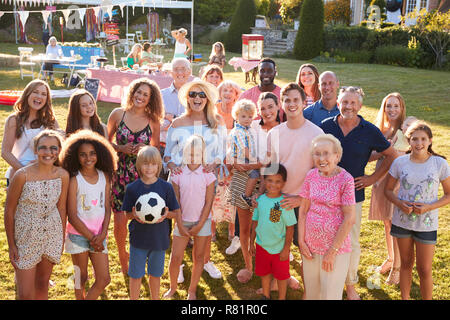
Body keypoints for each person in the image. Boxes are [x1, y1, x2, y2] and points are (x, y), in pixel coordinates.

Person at [320, 86, 398, 300]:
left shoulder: (369, 129)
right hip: (326, 192)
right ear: (338, 104)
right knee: (327, 237)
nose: (349, 106)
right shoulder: (326, 126)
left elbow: (391, 155)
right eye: (345, 102)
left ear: (360, 106)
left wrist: (372, 178)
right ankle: (327, 278)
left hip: (353, 194)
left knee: (351, 242)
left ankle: (350, 285)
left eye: (353, 103)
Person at [265, 82, 324, 296]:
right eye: (287, 100)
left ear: (304, 102)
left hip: (304, 202)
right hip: (278, 200)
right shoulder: (275, 133)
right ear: (282, 103)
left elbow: (321, 174)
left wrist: (302, 199)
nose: (291, 104)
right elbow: (271, 168)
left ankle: (311, 289)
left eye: (295, 100)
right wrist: (268, 197)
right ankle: (281, 277)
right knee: (276, 243)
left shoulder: (316, 133)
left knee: (305, 247)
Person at [164, 79, 227, 280]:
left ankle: (205, 260)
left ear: (207, 98)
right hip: (180, 181)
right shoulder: (178, 122)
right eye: (193, 94)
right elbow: (167, 153)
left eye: (201, 95)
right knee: (180, 221)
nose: (197, 98)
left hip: (206, 180)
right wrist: (171, 165)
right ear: (187, 98)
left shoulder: (216, 121)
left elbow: (223, 150)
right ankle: (179, 263)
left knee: (205, 220)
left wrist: (216, 162)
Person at [384, 121, 450, 300]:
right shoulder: (400, 162)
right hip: (402, 221)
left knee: (424, 268)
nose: (418, 143)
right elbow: (387, 191)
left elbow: (448, 195)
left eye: (422, 139)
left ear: (430, 141)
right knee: (405, 263)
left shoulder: (439, 164)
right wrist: (399, 204)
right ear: (408, 141)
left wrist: (429, 206)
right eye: (414, 139)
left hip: (427, 224)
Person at [107, 78, 163, 275]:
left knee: (141, 217)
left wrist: (145, 148)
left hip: (142, 177)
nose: (140, 97)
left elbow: (155, 149)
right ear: (132, 92)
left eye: (145, 95)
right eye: (138, 92)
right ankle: (123, 257)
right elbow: (104, 143)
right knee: (120, 220)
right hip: (119, 173)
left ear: (151, 99)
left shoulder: (153, 121)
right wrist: (121, 147)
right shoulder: (117, 114)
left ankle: (140, 254)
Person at [4, 130, 69, 300]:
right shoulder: (22, 175)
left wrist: (61, 239)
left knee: (42, 285)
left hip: (52, 235)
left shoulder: (63, 175)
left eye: (53, 148)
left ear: (59, 150)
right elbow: (9, 211)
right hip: (26, 236)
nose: (48, 152)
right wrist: (12, 244)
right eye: (43, 148)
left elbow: (62, 208)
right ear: (36, 150)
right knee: (25, 294)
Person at [60, 130, 117, 300]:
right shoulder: (74, 179)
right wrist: (91, 237)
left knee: (104, 278)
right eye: (83, 155)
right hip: (78, 236)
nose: (88, 158)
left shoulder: (105, 177)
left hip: (100, 235)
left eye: (92, 153)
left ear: (99, 154)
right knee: (81, 277)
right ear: (75, 156)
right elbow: (72, 214)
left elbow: (107, 208)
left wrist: (102, 234)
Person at [298, 134, 356, 300]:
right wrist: (301, 242)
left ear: (337, 156)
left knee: (330, 295)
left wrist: (332, 252)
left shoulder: (346, 180)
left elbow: (349, 218)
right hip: (310, 245)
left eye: (326, 153)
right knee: (312, 292)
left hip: (335, 248)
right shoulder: (311, 176)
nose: (321, 158)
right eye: (317, 153)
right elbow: (303, 211)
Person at [121, 146, 182, 300]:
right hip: (138, 240)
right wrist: (134, 215)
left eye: (153, 164)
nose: (149, 168)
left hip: (159, 240)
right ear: (139, 165)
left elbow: (175, 213)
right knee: (136, 275)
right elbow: (127, 214)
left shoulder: (166, 187)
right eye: (145, 164)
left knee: (155, 275)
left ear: (159, 165)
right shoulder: (132, 188)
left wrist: (166, 214)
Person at [164, 135, 216, 300]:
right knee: (176, 256)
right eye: (189, 154)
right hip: (182, 221)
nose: (192, 158)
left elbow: (209, 202)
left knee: (199, 256)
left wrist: (200, 224)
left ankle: (192, 290)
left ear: (203, 155)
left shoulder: (208, 175)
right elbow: (176, 202)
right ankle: (173, 287)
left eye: (197, 154)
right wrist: (179, 223)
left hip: (203, 221)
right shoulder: (178, 174)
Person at [368, 92, 408, 285]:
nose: (392, 110)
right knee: (386, 222)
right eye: (388, 106)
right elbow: (371, 155)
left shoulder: (405, 130)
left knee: (396, 225)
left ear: (401, 109)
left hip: (398, 182)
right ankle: (391, 258)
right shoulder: (381, 131)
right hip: (381, 180)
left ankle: (398, 268)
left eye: (395, 106)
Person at [250, 163, 297, 300]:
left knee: (281, 276)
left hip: (279, 248)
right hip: (262, 245)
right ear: (264, 180)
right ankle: (266, 295)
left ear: (284, 183)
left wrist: (286, 248)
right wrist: (251, 243)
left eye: (278, 181)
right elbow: (255, 221)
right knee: (264, 273)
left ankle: (282, 297)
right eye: (269, 180)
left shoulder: (284, 202)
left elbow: (290, 227)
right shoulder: (260, 200)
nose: (273, 184)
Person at [2, 79, 59, 186]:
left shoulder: (51, 122)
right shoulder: (14, 119)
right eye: (35, 92)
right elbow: (5, 152)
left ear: (47, 99)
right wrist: (24, 172)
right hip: (18, 174)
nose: (39, 96)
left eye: (43, 94)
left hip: (45, 176)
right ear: (27, 94)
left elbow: (59, 150)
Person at [227, 99, 260, 283]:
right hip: (244, 173)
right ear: (236, 116)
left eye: (249, 116)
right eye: (243, 116)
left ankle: (261, 261)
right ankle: (249, 264)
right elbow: (246, 152)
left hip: (251, 172)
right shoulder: (239, 132)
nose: (247, 119)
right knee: (245, 226)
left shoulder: (250, 131)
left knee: (262, 224)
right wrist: (258, 161)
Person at [160, 58, 193, 151]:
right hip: (164, 145)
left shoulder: (196, 96)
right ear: (171, 72)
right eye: (176, 69)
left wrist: (171, 119)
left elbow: (196, 124)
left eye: (183, 69)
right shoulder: (161, 95)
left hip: (189, 147)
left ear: (189, 71)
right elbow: (155, 123)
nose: (180, 72)